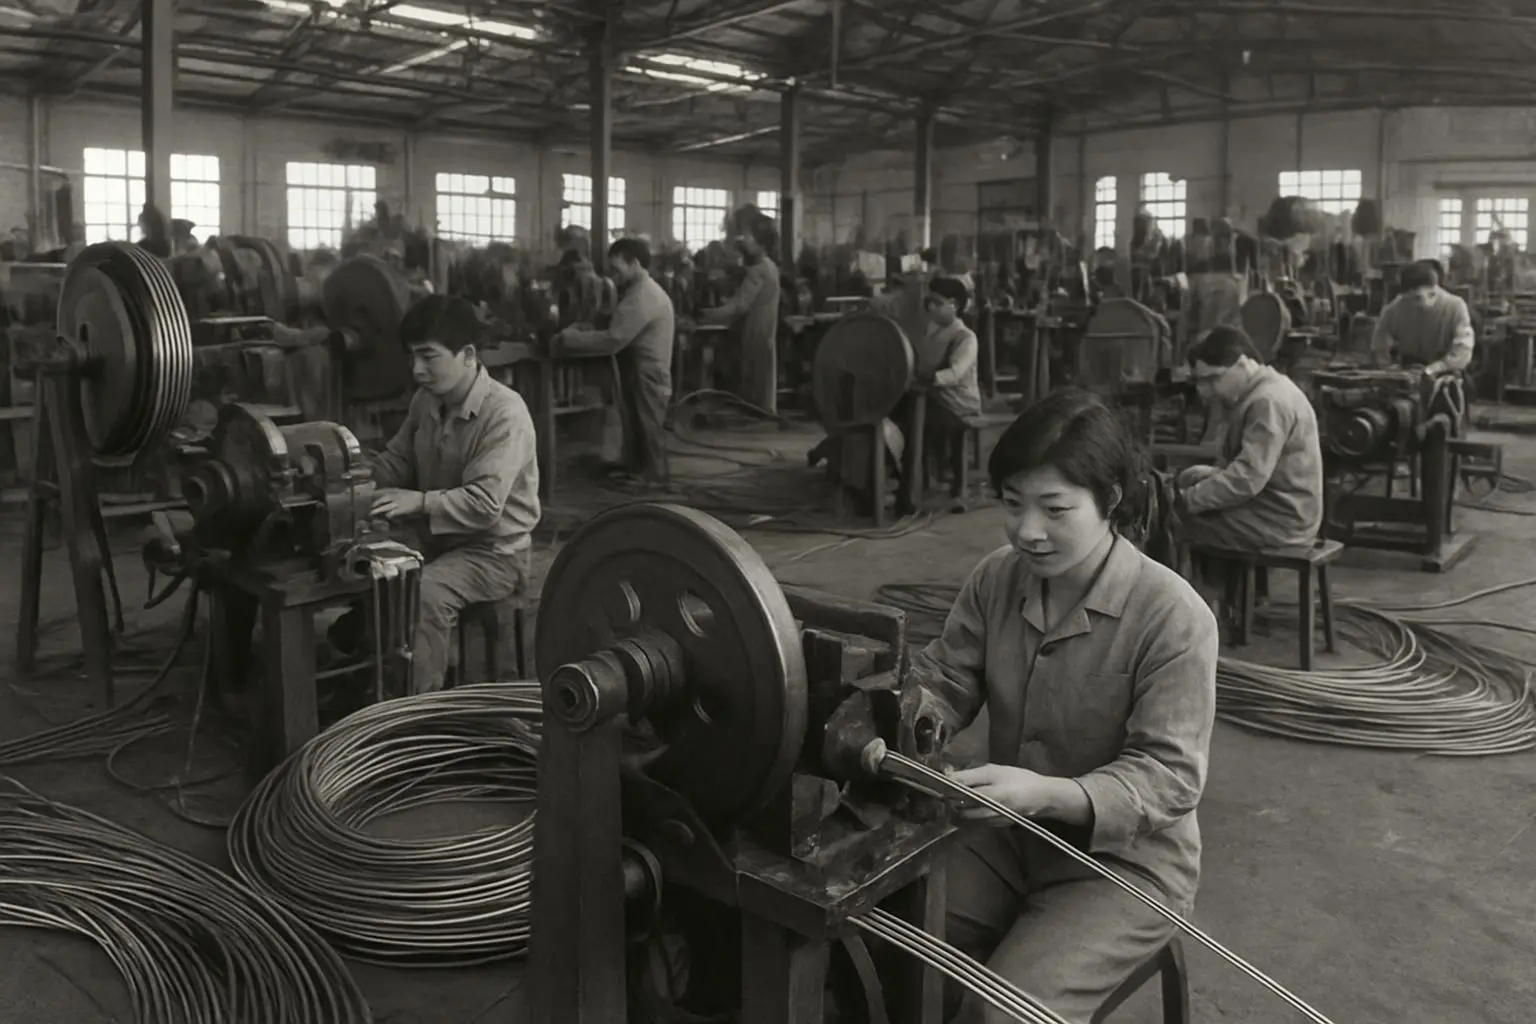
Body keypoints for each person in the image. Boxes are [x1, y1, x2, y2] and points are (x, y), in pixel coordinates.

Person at [910, 389, 1218, 1024]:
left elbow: (1168, 777)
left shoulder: (1172, 615)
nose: (1028, 531)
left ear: (1110, 501)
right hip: (1006, 837)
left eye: (1054, 509)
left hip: (1125, 867)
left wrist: (1048, 794)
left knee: (1001, 1016)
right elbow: (946, 678)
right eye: (1013, 504)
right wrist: (908, 715)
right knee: (887, 939)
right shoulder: (997, 577)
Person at [366, 293, 541, 694]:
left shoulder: (505, 413)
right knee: (367, 563)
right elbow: (397, 459)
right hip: (440, 539)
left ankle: (418, 713)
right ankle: (379, 674)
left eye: (428, 357)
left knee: (426, 591)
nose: (417, 370)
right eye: (412, 357)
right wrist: (357, 479)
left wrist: (420, 501)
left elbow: (484, 506)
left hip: (495, 553)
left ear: (467, 354)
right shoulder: (427, 400)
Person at [1174, 325, 1323, 551]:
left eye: (1214, 379)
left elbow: (1246, 479)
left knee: (1171, 523)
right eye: (1201, 382)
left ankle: (1201, 588)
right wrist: (1204, 477)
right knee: (1191, 481)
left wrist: (1184, 502)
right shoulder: (1262, 390)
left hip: (1281, 521)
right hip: (1274, 505)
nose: (1207, 391)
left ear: (1242, 363)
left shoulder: (1268, 401)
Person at [554, 236, 676, 487]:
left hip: (649, 371)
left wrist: (572, 338)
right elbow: (617, 322)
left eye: (617, 269)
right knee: (636, 422)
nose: (613, 275)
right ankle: (636, 468)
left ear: (634, 263)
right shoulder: (636, 291)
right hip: (640, 368)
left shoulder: (643, 295)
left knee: (648, 424)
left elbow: (615, 339)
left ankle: (654, 477)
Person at [701, 209, 781, 413]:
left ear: (759, 242)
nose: (743, 240)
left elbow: (740, 306)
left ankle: (759, 423)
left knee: (756, 385)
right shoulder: (769, 266)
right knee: (761, 383)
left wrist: (707, 315)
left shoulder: (760, 270)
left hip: (757, 335)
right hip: (763, 333)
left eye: (748, 236)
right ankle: (761, 418)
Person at [1370, 260, 1475, 378]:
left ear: (1437, 288)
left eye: (1431, 295)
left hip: (1445, 372)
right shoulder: (1395, 308)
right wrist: (1387, 367)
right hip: (1408, 371)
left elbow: (1463, 349)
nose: (1424, 303)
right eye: (1416, 298)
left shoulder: (1455, 306)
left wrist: (1436, 368)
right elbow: (1379, 341)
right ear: (1405, 294)